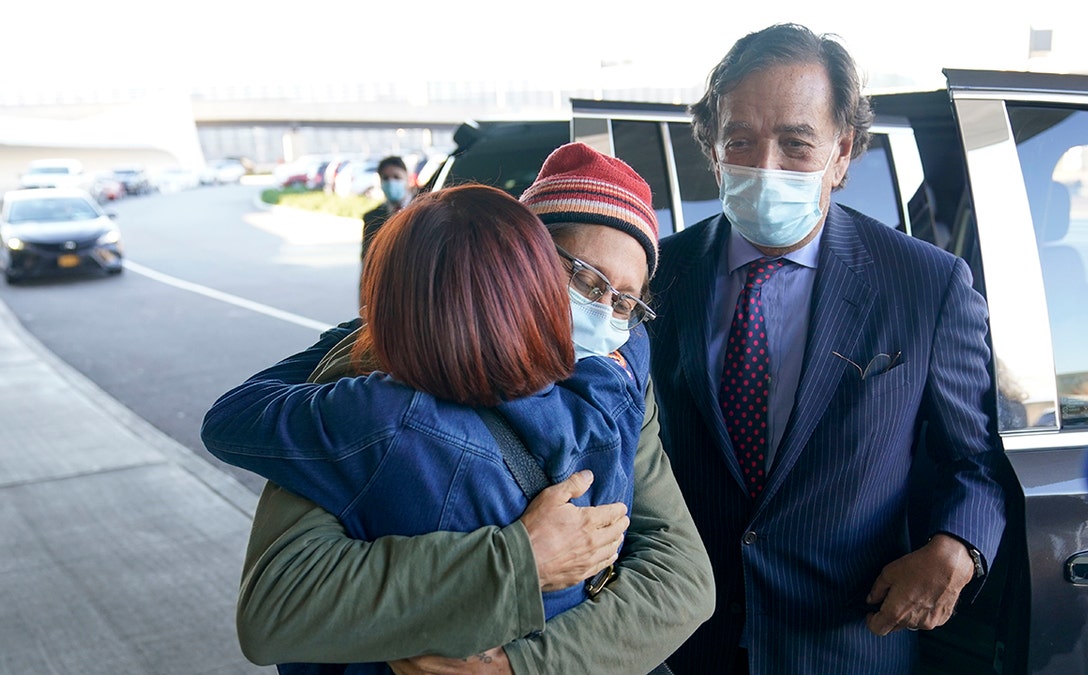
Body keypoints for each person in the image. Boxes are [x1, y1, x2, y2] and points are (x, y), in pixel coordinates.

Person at [204, 144, 715, 674]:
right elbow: (279, 609)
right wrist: (522, 560)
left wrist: (516, 668)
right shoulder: (377, 381)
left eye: (625, 301)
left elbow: (682, 576)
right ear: (518, 264)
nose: (600, 313)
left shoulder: (615, 375)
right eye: (583, 278)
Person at [646, 23, 1009, 674]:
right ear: (712, 146)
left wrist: (959, 545)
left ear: (842, 153)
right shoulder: (656, 274)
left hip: (847, 638)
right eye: (741, 141)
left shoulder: (924, 285)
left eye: (796, 144)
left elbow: (975, 464)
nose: (765, 167)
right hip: (681, 641)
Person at [361, 156, 410, 261]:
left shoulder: (425, 210)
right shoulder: (372, 218)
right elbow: (367, 260)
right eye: (386, 178)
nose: (391, 183)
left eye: (397, 177)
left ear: (407, 178)